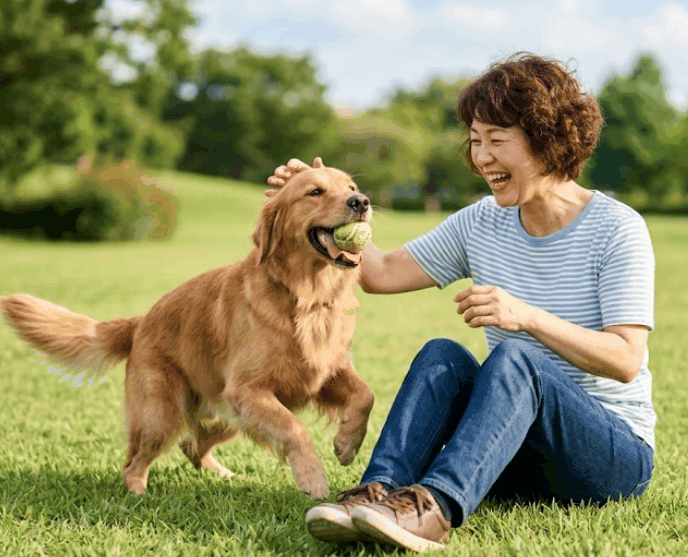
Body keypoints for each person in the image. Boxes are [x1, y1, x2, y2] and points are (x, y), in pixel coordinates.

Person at [267, 53, 656, 553]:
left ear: (548, 138)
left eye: (497, 140)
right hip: (513, 457)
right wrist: (322, 203)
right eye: (476, 141)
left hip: (610, 459)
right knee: (442, 355)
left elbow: (625, 360)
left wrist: (527, 317)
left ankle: (434, 510)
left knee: (517, 357)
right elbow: (381, 273)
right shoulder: (482, 222)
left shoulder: (616, 229)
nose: (482, 157)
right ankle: (376, 495)